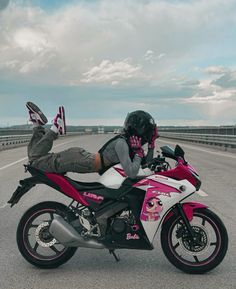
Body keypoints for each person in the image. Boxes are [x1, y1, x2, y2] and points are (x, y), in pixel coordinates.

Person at [26, 102, 159, 178]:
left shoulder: (128, 144)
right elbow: (131, 172)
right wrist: (139, 153)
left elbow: (145, 165)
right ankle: (55, 127)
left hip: (81, 158)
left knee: (35, 157)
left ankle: (36, 124)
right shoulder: (122, 144)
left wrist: (152, 145)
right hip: (81, 161)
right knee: (35, 161)